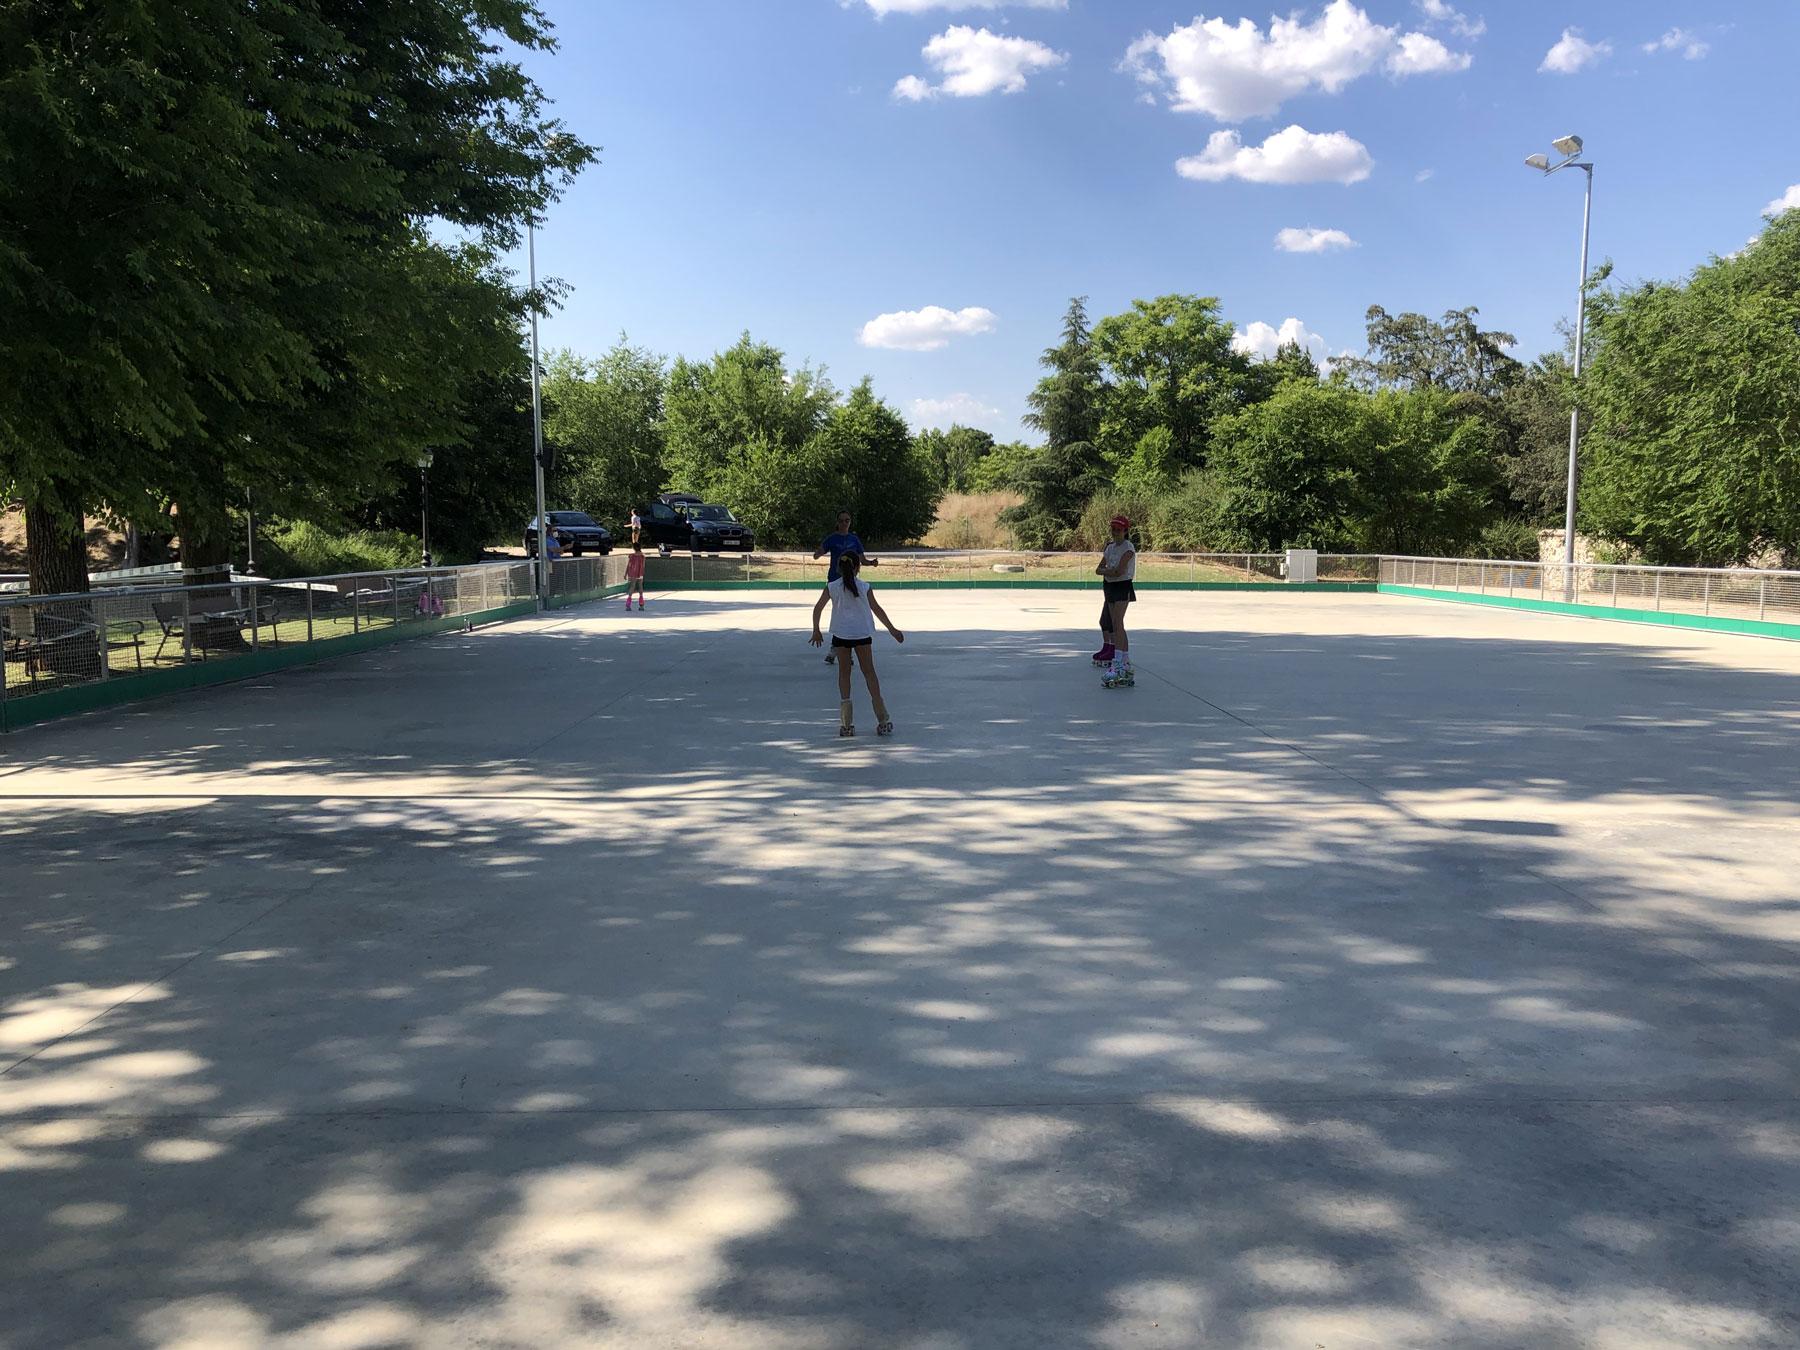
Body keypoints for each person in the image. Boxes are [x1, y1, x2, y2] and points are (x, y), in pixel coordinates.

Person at [810, 551, 903, 737]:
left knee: (844, 674)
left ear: (838, 568)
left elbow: (818, 608)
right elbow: (877, 609)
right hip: (861, 634)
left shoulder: (832, 586)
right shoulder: (864, 587)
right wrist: (892, 630)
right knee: (870, 673)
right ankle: (883, 719)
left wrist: (816, 630)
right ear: (857, 568)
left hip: (841, 635)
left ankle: (846, 724)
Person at [813, 509, 878, 665]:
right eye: (841, 520)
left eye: (847, 520)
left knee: (849, 614)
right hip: (835, 581)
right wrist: (818, 553)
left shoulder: (854, 540)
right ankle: (840, 649)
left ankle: (842, 650)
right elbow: (820, 551)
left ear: (850, 522)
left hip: (850, 582)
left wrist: (871, 563)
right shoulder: (832, 538)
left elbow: (862, 559)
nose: (844, 523)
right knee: (839, 613)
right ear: (837, 522)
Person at [1094, 515, 1137, 688]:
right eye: (1113, 529)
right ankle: (1125, 661)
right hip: (1109, 587)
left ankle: (1118, 662)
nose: (1115, 533)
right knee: (1115, 623)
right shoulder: (1110, 548)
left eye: (1118, 530)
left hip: (1122, 586)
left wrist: (1108, 571)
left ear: (1125, 531)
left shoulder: (1128, 548)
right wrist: (1109, 571)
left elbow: (1120, 571)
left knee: (1117, 623)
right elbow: (1098, 569)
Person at [624, 539, 646, 610]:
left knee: (632, 587)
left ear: (634, 548)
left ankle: (628, 604)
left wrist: (626, 573)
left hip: (633, 572)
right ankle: (641, 604)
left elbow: (629, 565)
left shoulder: (632, 556)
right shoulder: (642, 556)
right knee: (640, 587)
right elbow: (643, 566)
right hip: (640, 573)